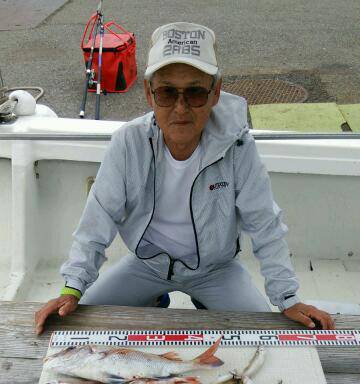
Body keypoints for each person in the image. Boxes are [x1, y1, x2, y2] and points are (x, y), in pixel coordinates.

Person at [35, 21, 334, 335]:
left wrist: (287, 298)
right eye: (166, 92)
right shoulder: (128, 142)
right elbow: (97, 219)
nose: (180, 108)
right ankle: (155, 295)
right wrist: (72, 289)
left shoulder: (239, 146)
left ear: (215, 93)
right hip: (146, 265)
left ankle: (200, 297)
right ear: (150, 96)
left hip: (215, 270)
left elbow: (264, 223)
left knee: (264, 336)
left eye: (194, 92)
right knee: (77, 329)